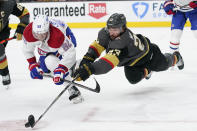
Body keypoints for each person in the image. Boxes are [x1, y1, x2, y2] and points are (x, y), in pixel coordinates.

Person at [73, 13, 184, 84]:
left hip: (150, 55)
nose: (112, 32)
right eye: (110, 28)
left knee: (164, 65)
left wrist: (89, 69)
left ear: (123, 28)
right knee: (133, 79)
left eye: (116, 29)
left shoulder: (124, 41)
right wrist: (86, 60)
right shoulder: (105, 32)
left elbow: (108, 62)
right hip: (132, 61)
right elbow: (97, 46)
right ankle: (148, 70)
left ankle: (176, 57)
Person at [22, 14, 83, 104]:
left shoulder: (57, 35)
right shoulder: (28, 32)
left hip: (65, 34)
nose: (38, 37)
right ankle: (67, 68)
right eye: (36, 34)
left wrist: (61, 69)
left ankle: (71, 86)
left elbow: (70, 52)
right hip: (50, 43)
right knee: (44, 69)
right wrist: (32, 64)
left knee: (51, 62)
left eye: (42, 34)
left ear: (47, 31)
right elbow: (27, 50)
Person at [0, 0, 30, 87]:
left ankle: (4, 72)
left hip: (2, 33)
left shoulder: (7, 4)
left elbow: (24, 13)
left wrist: (21, 28)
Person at [163, 0, 197, 69]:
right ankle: (175, 59)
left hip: (194, 11)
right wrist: (168, 5)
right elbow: (168, 1)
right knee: (174, 37)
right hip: (179, 11)